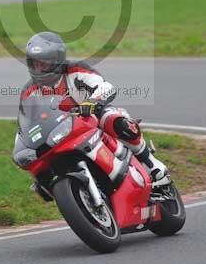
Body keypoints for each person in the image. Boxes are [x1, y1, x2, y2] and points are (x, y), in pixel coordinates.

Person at [14, 31, 168, 189]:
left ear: (57, 60)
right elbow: (24, 124)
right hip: (62, 132)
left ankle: (152, 164)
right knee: (42, 179)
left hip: (93, 117)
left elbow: (105, 87)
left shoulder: (75, 70)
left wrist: (92, 102)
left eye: (44, 63)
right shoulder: (29, 91)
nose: (39, 68)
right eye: (35, 64)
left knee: (115, 121)